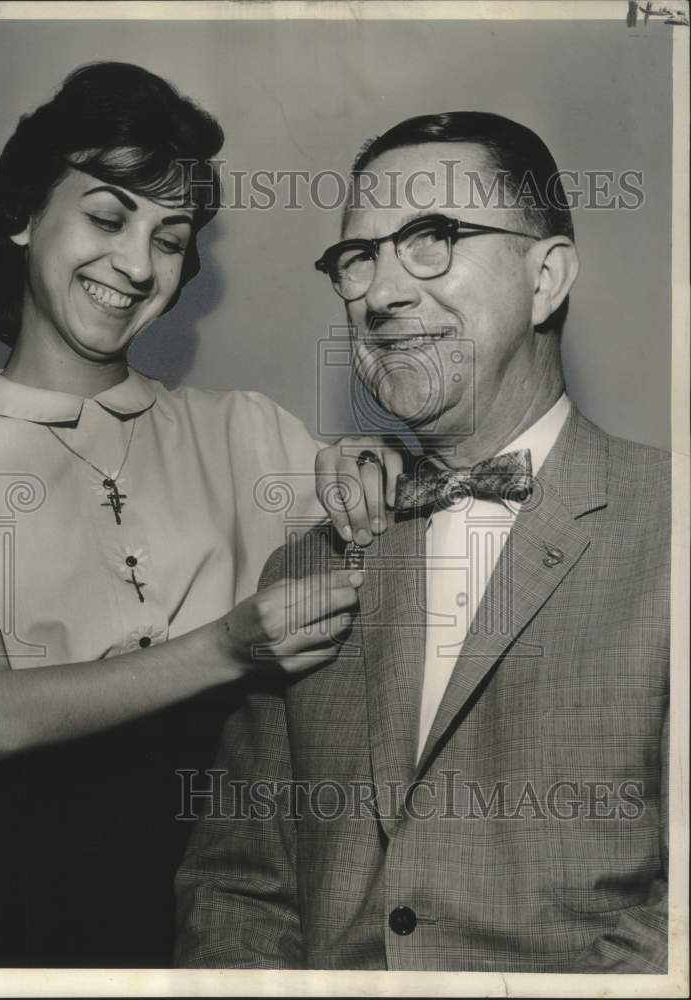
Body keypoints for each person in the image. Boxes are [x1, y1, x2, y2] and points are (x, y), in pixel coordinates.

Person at [0, 62, 398, 968]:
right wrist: (227, 647)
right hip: (17, 909)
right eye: (106, 217)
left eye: (171, 239)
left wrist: (376, 470)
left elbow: (390, 572)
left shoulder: (247, 430)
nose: (136, 264)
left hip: (237, 894)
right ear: (22, 217)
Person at [175, 112, 670, 972]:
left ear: (546, 276)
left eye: (431, 238)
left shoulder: (673, 525)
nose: (379, 291)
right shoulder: (311, 561)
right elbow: (237, 885)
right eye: (357, 258)